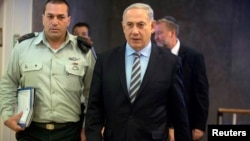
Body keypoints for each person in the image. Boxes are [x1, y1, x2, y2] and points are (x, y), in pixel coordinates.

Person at [85, 3, 191, 141]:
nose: (135, 31)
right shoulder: (105, 61)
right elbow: (94, 109)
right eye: (130, 25)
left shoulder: (170, 63)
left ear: (152, 26)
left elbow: (179, 114)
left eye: (141, 25)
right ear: (123, 27)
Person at [0, 0, 95, 141]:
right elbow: (8, 84)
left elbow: (92, 94)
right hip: (30, 131)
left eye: (61, 17)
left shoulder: (84, 51)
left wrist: (87, 126)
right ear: (43, 18)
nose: (55, 22)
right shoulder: (23, 48)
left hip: (69, 133)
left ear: (68, 20)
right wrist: (7, 116)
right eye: (50, 16)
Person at [154, 16, 209, 141]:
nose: (155, 37)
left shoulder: (194, 57)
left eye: (159, 33)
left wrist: (200, 125)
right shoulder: (154, 56)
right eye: (155, 33)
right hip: (159, 126)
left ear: (172, 33)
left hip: (185, 124)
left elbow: (201, 93)